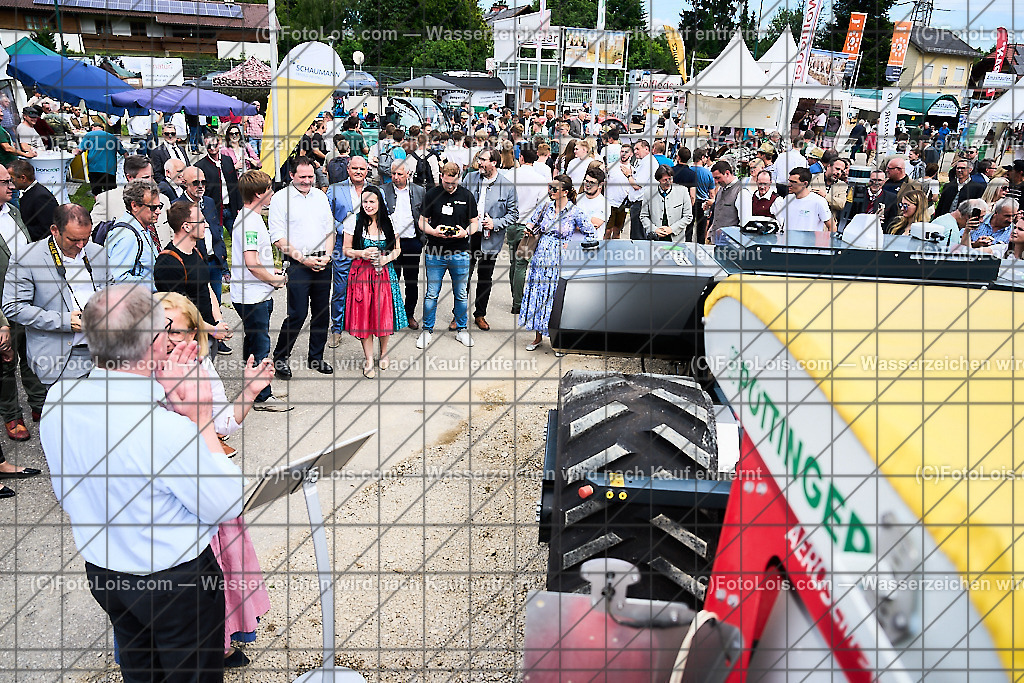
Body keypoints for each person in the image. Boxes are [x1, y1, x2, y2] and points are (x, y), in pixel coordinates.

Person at [41, 283, 245, 680]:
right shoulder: (165, 430)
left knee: (140, 672)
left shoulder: (59, 399)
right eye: (164, 329)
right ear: (153, 342)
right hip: (176, 581)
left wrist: (161, 391)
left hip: (104, 571)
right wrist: (200, 418)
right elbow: (227, 503)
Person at [156, 290, 273, 664]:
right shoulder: (140, 373)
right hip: (171, 488)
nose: (174, 338)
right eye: (164, 329)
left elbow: (225, 423)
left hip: (211, 478)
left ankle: (218, 643)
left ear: (195, 334)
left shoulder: (202, 368)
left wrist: (251, 391)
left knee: (221, 565)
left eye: (182, 331)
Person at [2, 204, 111, 387]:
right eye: (73, 239)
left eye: (86, 238)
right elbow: (13, 306)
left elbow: (111, 289)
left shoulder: (96, 252)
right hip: (61, 357)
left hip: (103, 351)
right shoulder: (27, 258)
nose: (81, 245)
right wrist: (65, 321)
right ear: (54, 230)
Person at [270, 157, 335, 378]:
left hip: (323, 261)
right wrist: (304, 259)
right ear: (291, 176)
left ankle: (316, 357)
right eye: (303, 177)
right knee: (297, 313)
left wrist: (327, 256)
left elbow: (329, 230)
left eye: (311, 177)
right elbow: (278, 238)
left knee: (321, 312)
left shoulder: (320, 196)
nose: (308, 181)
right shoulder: (280, 199)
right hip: (297, 262)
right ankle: (280, 358)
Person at [231, 170, 289, 411]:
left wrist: (271, 271)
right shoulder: (250, 222)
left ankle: (252, 387)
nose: (272, 193)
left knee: (252, 341)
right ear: (258, 194)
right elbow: (251, 263)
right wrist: (274, 280)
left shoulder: (250, 218)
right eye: (268, 189)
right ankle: (263, 396)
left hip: (254, 293)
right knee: (261, 345)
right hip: (252, 296)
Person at [519, 175, 595, 352]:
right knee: (538, 294)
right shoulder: (545, 207)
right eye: (550, 187)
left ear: (565, 192)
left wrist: (574, 245)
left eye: (554, 188)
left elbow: (591, 233)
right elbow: (533, 221)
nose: (550, 191)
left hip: (560, 259)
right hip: (540, 256)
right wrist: (529, 229)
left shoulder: (575, 211)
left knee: (556, 298)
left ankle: (558, 342)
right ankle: (537, 337)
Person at [0, 164, 46, 442]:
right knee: (5, 362)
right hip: (3, 306)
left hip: (27, 298)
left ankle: (39, 404)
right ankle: (11, 415)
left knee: (32, 352)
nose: (12, 186)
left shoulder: (13, 212)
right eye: (5, 182)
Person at [342, 186, 405, 378]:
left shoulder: (390, 221)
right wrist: (361, 253)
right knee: (364, 316)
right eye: (365, 202)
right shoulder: (353, 220)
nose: (368, 206)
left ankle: (383, 352)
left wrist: (386, 259)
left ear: (379, 203)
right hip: (361, 273)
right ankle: (369, 358)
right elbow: (346, 249)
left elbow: (397, 249)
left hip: (383, 273)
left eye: (372, 202)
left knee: (383, 313)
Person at [416, 162, 479, 350]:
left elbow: (474, 222)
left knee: (460, 294)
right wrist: (433, 232)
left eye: (453, 183)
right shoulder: (432, 194)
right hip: (435, 252)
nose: (450, 187)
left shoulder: (466, 196)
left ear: (458, 178)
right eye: (446, 183)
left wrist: (465, 233)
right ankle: (427, 330)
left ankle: (461, 330)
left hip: (459, 252)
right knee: (431, 294)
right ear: (441, 177)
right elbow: (422, 222)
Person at [153, 200, 233, 349]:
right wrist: (213, 330)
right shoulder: (168, 264)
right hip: (188, 342)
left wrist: (219, 321)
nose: (207, 224)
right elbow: (179, 313)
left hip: (208, 333)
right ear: (186, 226)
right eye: (201, 221)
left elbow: (207, 287)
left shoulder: (196, 251)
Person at [461, 149, 518, 332]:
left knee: (485, 278)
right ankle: (458, 315)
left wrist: (496, 223)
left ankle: (480, 314)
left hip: (490, 239)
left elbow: (514, 214)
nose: (480, 163)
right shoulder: (470, 179)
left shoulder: (507, 186)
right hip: (469, 237)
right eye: (479, 159)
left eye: (484, 160)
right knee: (463, 276)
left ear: (494, 162)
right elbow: (459, 200)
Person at [326, 155, 373, 348]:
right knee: (340, 288)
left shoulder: (373, 190)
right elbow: (326, 217)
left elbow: (382, 213)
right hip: (342, 247)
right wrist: (342, 229)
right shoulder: (335, 189)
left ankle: (363, 325)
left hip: (366, 246)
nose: (358, 172)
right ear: (348, 169)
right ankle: (336, 328)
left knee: (367, 287)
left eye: (362, 169)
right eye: (355, 168)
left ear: (367, 170)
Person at [92, 155, 172, 246]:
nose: (151, 181)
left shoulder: (163, 200)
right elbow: (92, 234)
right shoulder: (107, 200)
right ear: (129, 177)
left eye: (152, 176)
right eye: (145, 178)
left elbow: (174, 232)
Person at [382, 161, 425, 330]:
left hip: (411, 242)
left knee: (411, 281)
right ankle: (391, 314)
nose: (396, 177)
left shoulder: (419, 191)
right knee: (391, 280)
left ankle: (409, 314)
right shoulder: (384, 190)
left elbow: (425, 215)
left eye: (400, 174)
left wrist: (423, 239)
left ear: (408, 174)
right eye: (393, 174)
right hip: (391, 244)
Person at [106, 178, 165, 289]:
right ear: (134, 206)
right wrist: (157, 285)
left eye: (159, 206)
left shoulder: (142, 227)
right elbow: (119, 278)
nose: (158, 211)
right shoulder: (127, 236)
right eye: (153, 207)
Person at [195, 134, 242, 238]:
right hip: (214, 211)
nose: (212, 148)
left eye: (214, 145)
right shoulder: (200, 166)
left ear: (219, 144)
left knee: (238, 238)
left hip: (231, 208)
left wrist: (239, 206)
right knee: (217, 241)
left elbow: (235, 184)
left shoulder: (227, 160)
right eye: (208, 146)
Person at [8, 160, 57, 242]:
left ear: (23, 178)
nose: (10, 183)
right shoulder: (30, 192)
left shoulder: (41, 197)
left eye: (12, 179)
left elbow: (47, 229)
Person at [774, 168, 835, 233]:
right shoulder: (787, 199)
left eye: (794, 182)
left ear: (805, 184)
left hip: (809, 242)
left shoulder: (819, 201)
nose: (789, 185)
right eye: (789, 181)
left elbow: (832, 227)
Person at [641, 165, 692, 241]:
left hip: (676, 239)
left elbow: (688, 216)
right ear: (659, 180)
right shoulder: (648, 193)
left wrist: (672, 229)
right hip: (655, 240)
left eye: (670, 179)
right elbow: (643, 216)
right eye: (665, 180)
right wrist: (654, 230)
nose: (668, 182)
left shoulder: (683, 191)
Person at [78, 120, 125, 195]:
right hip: (110, 169)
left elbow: (80, 150)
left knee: (97, 192)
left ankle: (99, 205)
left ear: (93, 128)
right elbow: (124, 153)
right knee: (111, 192)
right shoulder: (112, 137)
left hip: (94, 168)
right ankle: (111, 205)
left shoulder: (89, 135)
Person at [706, 160, 743, 244]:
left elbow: (743, 223)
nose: (716, 181)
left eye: (718, 178)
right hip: (714, 239)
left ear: (727, 173)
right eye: (714, 178)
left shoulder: (741, 191)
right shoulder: (721, 188)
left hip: (729, 243)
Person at [576, 165, 608, 234]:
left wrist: (570, 223)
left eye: (592, 183)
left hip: (591, 243)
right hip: (573, 243)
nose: (588, 185)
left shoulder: (604, 204)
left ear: (600, 185)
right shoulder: (577, 198)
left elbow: (590, 227)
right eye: (586, 181)